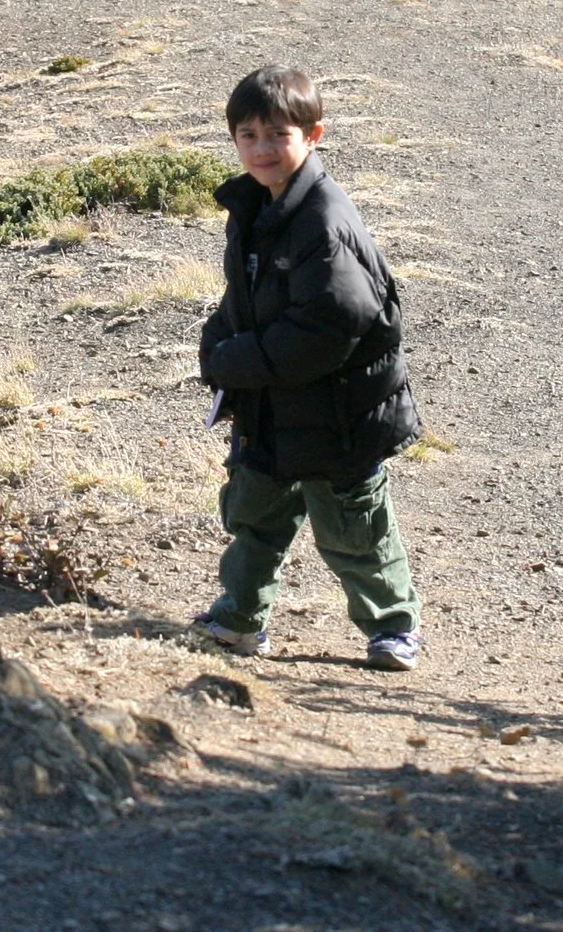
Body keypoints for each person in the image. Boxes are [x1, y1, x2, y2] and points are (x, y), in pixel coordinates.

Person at [193, 65, 426, 671]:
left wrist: (238, 361)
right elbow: (241, 300)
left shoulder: (323, 221)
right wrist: (215, 346)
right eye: (248, 136)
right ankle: (239, 620)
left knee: (355, 527)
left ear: (313, 135)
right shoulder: (255, 208)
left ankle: (393, 628)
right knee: (255, 517)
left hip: (336, 411)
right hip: (272, 407)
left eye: (278, 135)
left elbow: (329, 327)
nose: (263, 149)